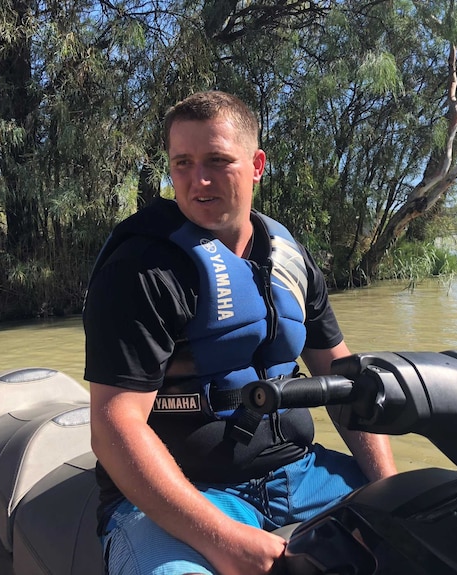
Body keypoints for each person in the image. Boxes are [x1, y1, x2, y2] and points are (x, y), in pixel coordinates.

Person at [83, 90, 397, 575]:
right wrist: (226, 540)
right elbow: (113, 426)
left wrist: (387, 490)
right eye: (182, 162)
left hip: (302, 473)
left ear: (256, 165)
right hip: (179, 497)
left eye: (217, 160)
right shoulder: (143, 268)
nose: (197, 180)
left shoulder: (289, 259)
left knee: (430, 534)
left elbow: (342, 379)